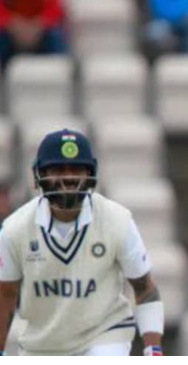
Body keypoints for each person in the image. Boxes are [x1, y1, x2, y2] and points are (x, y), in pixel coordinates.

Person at [0, 129, 164, 356]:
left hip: (105, 334)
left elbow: (145, 288)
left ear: (89, 174)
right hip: (42, 344)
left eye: (76, 169)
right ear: (39, 175)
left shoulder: (117, 220)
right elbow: (6, 293)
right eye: (58, 169)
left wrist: (153, 349)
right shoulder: (15, 229)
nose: (68, 178)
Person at [0, 0, 68, 69]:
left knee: (56, 35)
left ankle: (59, 71)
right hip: (11, 30)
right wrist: (12, 23)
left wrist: (39, 24)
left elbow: (55, 7)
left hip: (41, 29)